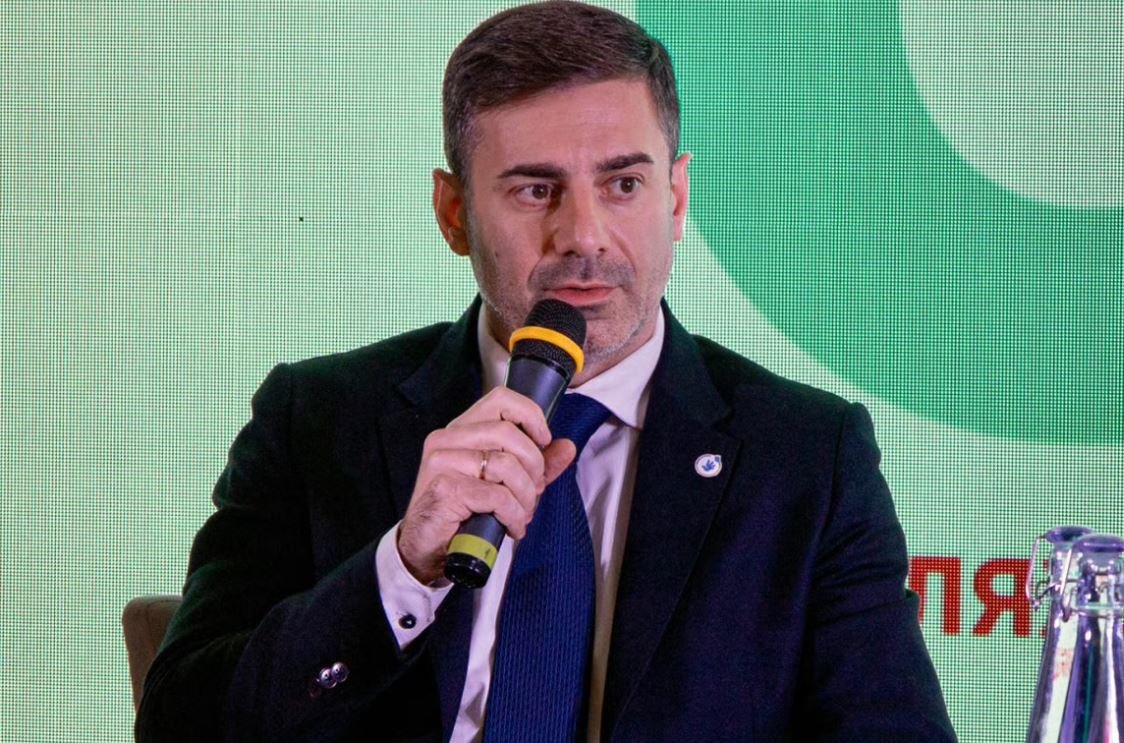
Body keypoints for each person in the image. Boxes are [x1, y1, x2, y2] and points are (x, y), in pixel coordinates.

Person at [137, 2, 955, 741]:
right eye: (536, 190)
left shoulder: (807, 457)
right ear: (454, 213)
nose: (584, 235)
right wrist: (401, 570)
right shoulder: (315, 419)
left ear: (676, 197)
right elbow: (179, 724)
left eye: (624, 183)